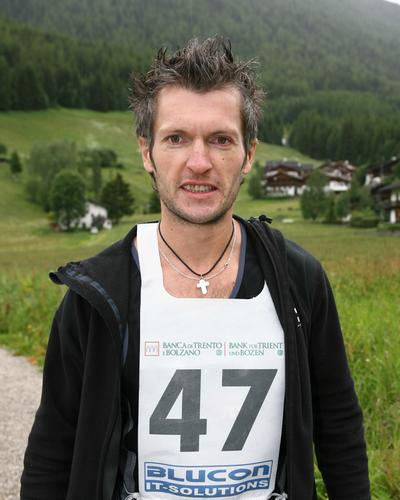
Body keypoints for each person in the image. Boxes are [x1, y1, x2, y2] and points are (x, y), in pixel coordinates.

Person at [21, 37, 370, 500]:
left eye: (221, 140)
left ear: (249, 154)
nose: (199, 162)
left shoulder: (299, 280)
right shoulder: (97, 294)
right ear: (147, 152)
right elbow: (53, 446)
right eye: (177, 138)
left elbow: (338, 424)